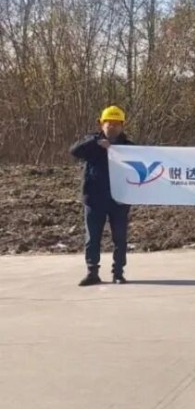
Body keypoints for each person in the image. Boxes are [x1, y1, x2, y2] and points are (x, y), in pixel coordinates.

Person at [69, 105, 135, 286]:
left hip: (119, 199)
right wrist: (96, 143)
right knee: (93, 238)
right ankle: (92, 272)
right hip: (94, 198)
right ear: (101, 124)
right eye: (109, 123)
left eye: (116, 123)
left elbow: (146, 159)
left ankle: (118, 273)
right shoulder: (91, 142)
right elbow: (74, 151)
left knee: (120, 238)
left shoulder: (129, 147)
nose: (112, 127)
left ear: (122, 126)